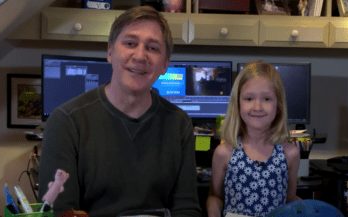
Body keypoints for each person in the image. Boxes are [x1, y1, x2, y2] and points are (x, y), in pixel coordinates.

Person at [38, 6, 201, 217]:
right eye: (130, 43)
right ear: (110, 52)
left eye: (153, 48)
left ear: (165, 64)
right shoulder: (66, 122)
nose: (140, 56)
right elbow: (60, 212)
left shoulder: (179, 123)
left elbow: (187, 209)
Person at [206, 61, 301, 217]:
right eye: (249, 99)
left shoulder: (290, 154)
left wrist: (304, 208)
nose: (257, 107)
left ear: (278, 105)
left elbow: (290, 199)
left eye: (267, 99)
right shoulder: (224, 153)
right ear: (238, 104)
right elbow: (215, 196)